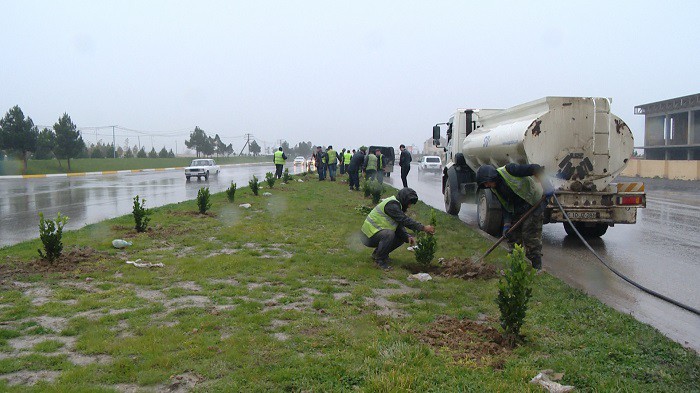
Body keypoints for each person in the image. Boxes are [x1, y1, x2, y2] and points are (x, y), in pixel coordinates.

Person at [476, 163, 552, 270]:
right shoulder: (494, 189)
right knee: (511, 236)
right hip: (517, 209)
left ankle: (537, 267)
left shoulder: (510, 170)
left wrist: (546, 184)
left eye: (487, 183)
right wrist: (507, 225)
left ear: (491, 176)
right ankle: (516, 267)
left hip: (533, 202)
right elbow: (505, 206)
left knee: (530, 234)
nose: (487, 186)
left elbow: (535, 168)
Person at [361, 188, 435, 270]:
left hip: (375, 234)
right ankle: (379, 261)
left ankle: (378, 254)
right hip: (367, 236)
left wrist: (407, 236)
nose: (409, 206)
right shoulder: (392, 205)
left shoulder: (396, 205)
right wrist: (423, 228)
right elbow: (404, 220)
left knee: (402, 237)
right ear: (404, 200)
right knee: (389, 234)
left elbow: (398, 224)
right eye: (409, 203)